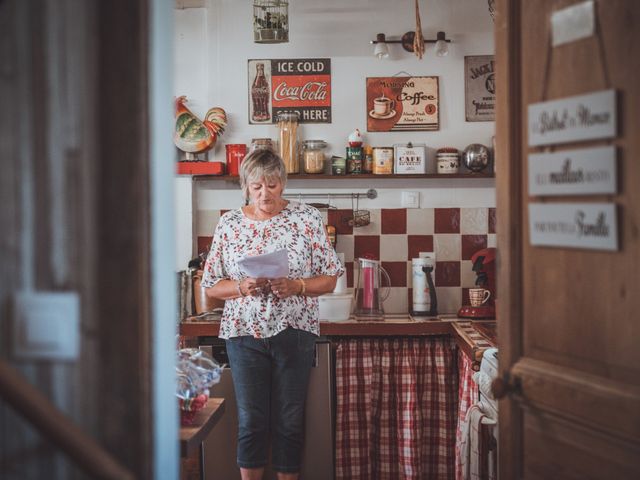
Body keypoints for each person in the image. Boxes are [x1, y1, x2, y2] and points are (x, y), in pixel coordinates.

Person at [201, 148, 343, 480]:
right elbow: (210, 286)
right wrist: (240, 287)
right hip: (243, 333)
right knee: (251, 419)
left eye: (273, 185)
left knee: (290, 420)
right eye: (257, 187)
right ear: (246, 187)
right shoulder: (230, 223)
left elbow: (331, 276)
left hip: (294, 331)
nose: (266, 194)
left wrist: (297, 286)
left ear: (283, 183)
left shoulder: (306, 218)